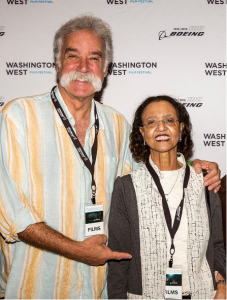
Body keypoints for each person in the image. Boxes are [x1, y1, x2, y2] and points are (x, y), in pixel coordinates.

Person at [0, 15, 221, 300]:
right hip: (36, 282)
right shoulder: (17, 117)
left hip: (99, 286)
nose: (83, 67)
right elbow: (10, 211)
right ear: (57, 63)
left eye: (94, 58)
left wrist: (194, 166)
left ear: (105, 69)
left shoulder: (116, 125)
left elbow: (154, 174)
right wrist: (77, 250)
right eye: (73, 56)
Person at [107, 95, 227, 300]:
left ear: (181, 129)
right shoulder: (126, 186)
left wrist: (222, 286)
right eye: (151, 122)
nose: (161, 127)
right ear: (142, 132)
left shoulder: (205, 181)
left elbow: (217, 245)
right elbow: (119, 257)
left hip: (202, 295)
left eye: (169, 120)